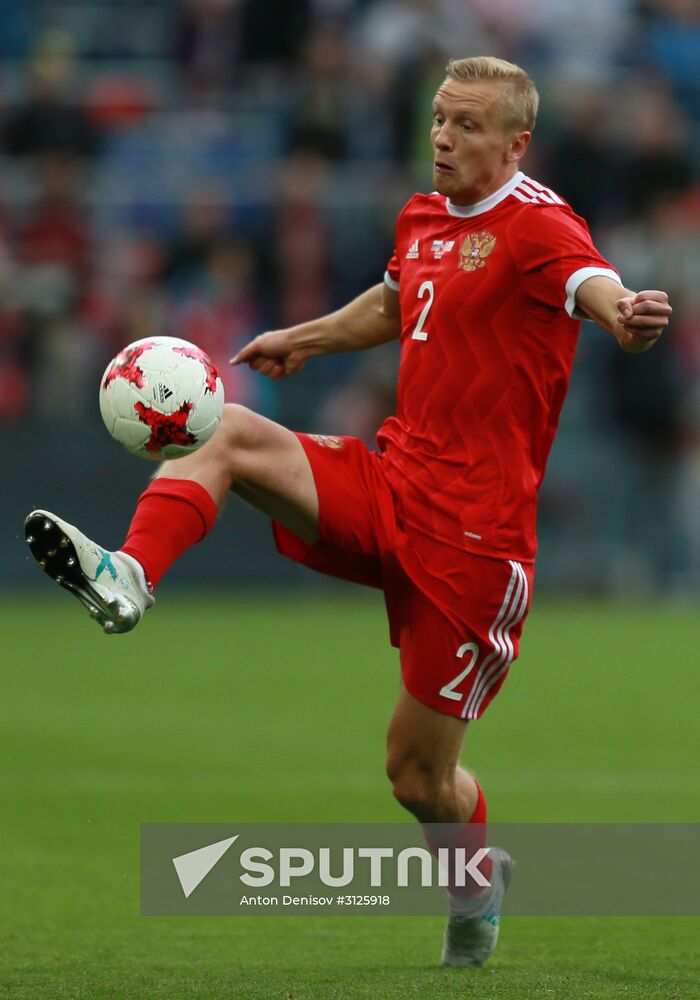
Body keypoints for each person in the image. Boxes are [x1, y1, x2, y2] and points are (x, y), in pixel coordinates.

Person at [25, 56, 671, 967]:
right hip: (393, 478)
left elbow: (591, 282)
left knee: (417, 779)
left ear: (516, 143)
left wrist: (623, 313)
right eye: (440, 120)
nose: (444, 138)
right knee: (228, 429)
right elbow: (400, 298)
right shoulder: (422, 215)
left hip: (477, 544)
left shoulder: (539, 225)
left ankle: (476, 884)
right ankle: (128, 576)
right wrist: (305, 338)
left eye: (469, 126)